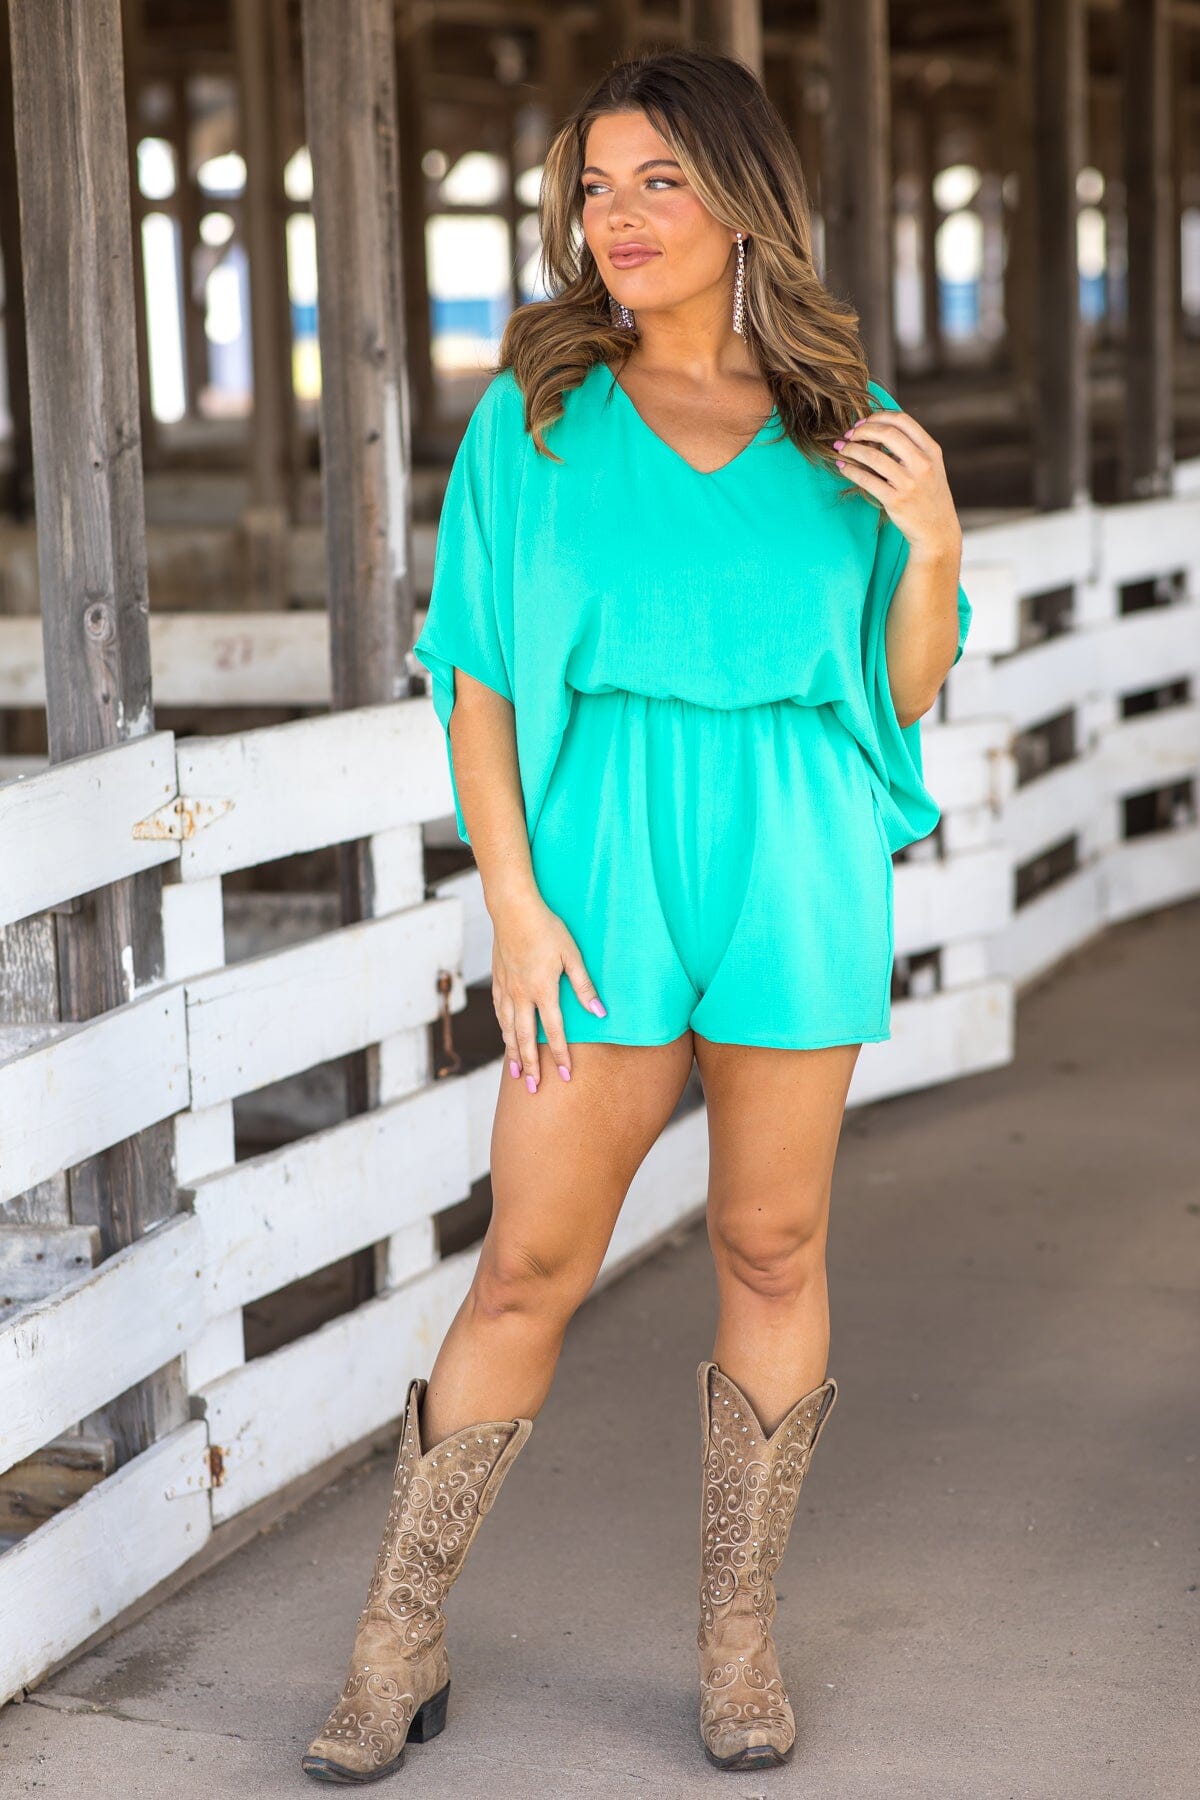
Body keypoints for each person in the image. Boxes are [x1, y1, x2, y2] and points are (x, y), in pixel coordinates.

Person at [302, 45, 971, 1785]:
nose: (619, 216)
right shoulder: (535, 418)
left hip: (796, 855)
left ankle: (738, 1638)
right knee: (528, 1260)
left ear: (744, 198)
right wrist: (513, 908)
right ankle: (397, 1636)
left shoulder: (844, 421)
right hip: (596, 870)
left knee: (772, 1247)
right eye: (595, 187)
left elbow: (902, 692)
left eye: (659, 180)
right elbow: (476, 678)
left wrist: (936, 549)